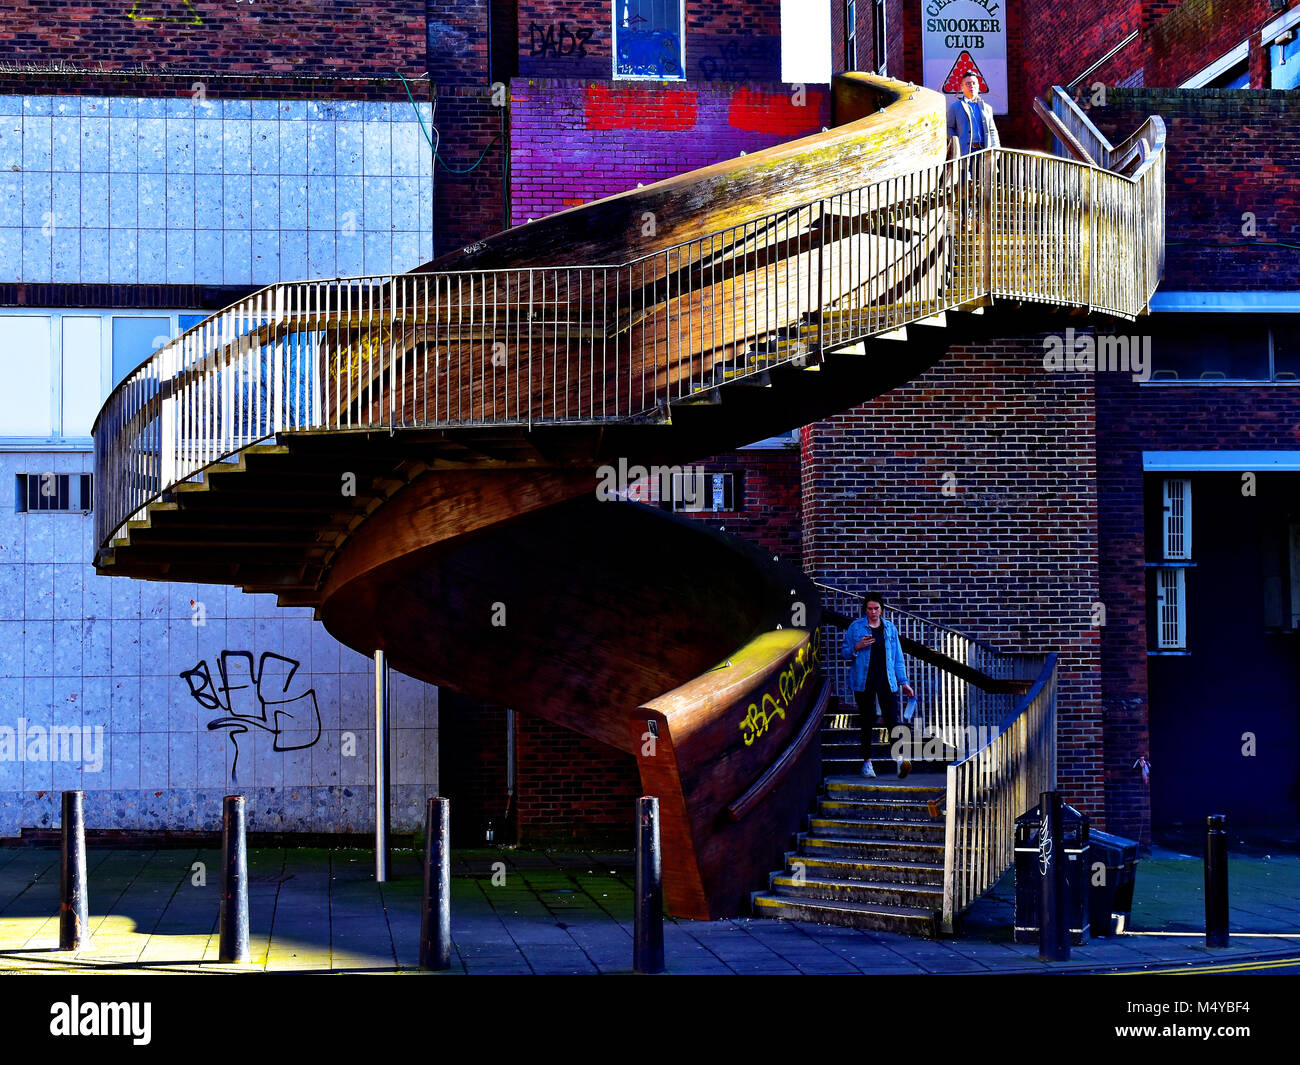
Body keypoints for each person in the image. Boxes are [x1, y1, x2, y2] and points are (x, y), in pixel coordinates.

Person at [841, 592, 915, 778]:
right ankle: (867, 763)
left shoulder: (890, 629)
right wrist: (857, 647)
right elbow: (844, 653)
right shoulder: (855, 627)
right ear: (865, 609)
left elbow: (897, 658)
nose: (873, 612)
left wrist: (904, 682)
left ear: (881, 609)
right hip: (863, 681)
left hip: (886, 681)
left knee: (892, 720)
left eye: (876, 608)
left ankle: (899, 761)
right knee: (867, 721)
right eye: (870, 608)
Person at [946, 72, 1001, 157]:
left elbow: (992, 130)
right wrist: (956, 146)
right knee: (964, 171)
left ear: (978, 86)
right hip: (964, 153)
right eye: (968, 84)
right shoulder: (955, 107)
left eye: (974, 83)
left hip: (984, 152)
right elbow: (949, 128)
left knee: (984, 171)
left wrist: (996, 149)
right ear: (962, 87)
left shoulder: (987, 108)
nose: (971, 86)